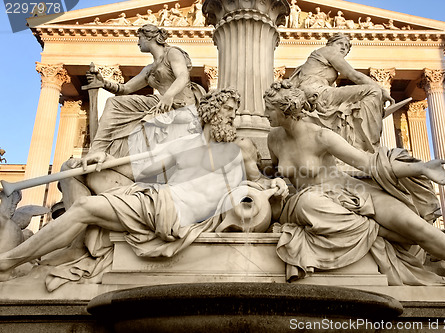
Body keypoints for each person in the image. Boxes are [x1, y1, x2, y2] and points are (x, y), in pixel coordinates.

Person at [0, 89, 288, 288]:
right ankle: (16, 261)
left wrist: (274, 182)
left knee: (86, 209)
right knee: (78, 185)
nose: (232, 116)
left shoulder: (241, 148)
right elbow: (137, 171)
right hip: (159, 201)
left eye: (234, 111)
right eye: (227, 109)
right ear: (211, 112)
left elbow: (258, 179)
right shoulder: (182, 145)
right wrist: (104, 160)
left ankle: (9, 262)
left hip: (174, 213)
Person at [263, 81, 445, 291]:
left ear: (286, 109)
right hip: (314, 201)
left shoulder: (321, 137)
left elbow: (368, 163)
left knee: (416, 227)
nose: (265, 114)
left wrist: (420, 168)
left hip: (351, 191)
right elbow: (276, 173)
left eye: (269, 109)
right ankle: (378, 231)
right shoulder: (274, 139)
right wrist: (275, 182)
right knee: (400, 235)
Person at [60, 24, 206, 208]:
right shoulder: (151, 68)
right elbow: (126, 89)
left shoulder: (173, 53)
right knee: (113, 102)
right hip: (160, 104)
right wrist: (102, 82)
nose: (138, 42)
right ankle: (98, 149)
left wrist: (168, 95)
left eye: (140, 38)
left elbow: (183, 76)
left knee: (141, 113)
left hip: (181, 105)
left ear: (150, 37)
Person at [289, 33, 395, 153]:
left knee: (355, 101)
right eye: (340, 43)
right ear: (330, 44)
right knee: (372, 91)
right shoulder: (329, 51)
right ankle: (368, 146)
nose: (344, 47)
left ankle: (356, 143)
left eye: (347, 46)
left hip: (318, 92)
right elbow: (354, 75)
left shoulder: (321, 61)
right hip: (317, 93)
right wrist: (382, 90)